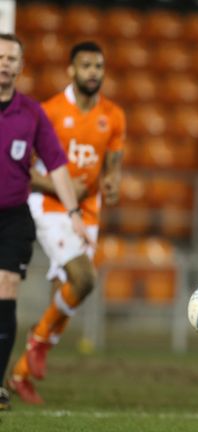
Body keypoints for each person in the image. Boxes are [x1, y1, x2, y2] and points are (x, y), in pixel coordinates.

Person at [8, 41, 125, 404]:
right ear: (71, 71)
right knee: (84, 278)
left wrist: (111, 181)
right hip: (51, 205)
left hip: (88, 210)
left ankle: (20, 373)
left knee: (69, 295)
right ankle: (38, 341)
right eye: (86, 65)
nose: (94, 72)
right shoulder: (49, 112)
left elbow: (114, 165)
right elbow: (21, 169)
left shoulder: (113, 115)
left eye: (98, 66)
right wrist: (57, 185)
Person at [0, 34, 88, 411]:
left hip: (14, 220)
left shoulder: (31, 113)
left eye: (12, 58)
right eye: (0, 56)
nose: (5, 63)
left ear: (20, 66)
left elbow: (57, 166)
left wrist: (72, 213)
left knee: (5, 298)